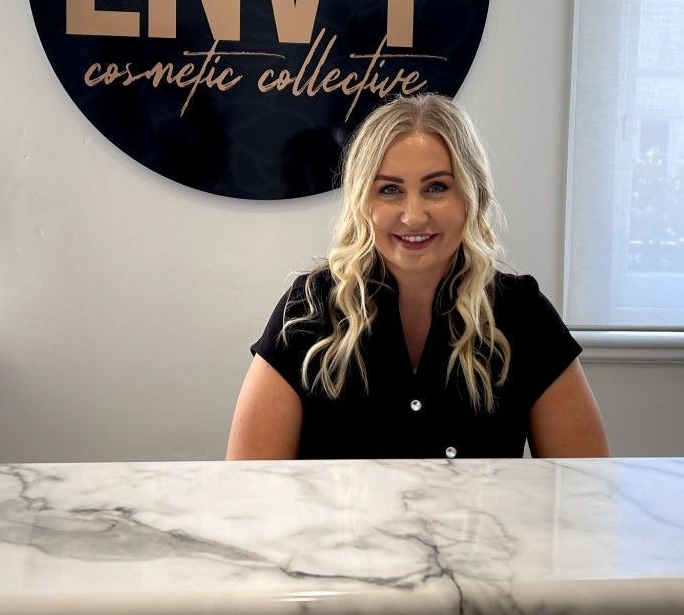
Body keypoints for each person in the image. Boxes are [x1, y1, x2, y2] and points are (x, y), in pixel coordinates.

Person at [226, 94, 608, 461]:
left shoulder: (522, 313)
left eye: (437, 187)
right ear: (363, 202)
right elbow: (250, 490)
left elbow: (582, 490)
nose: (413, 215)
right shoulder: (309, 309)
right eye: (390, 189)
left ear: (472, 196)